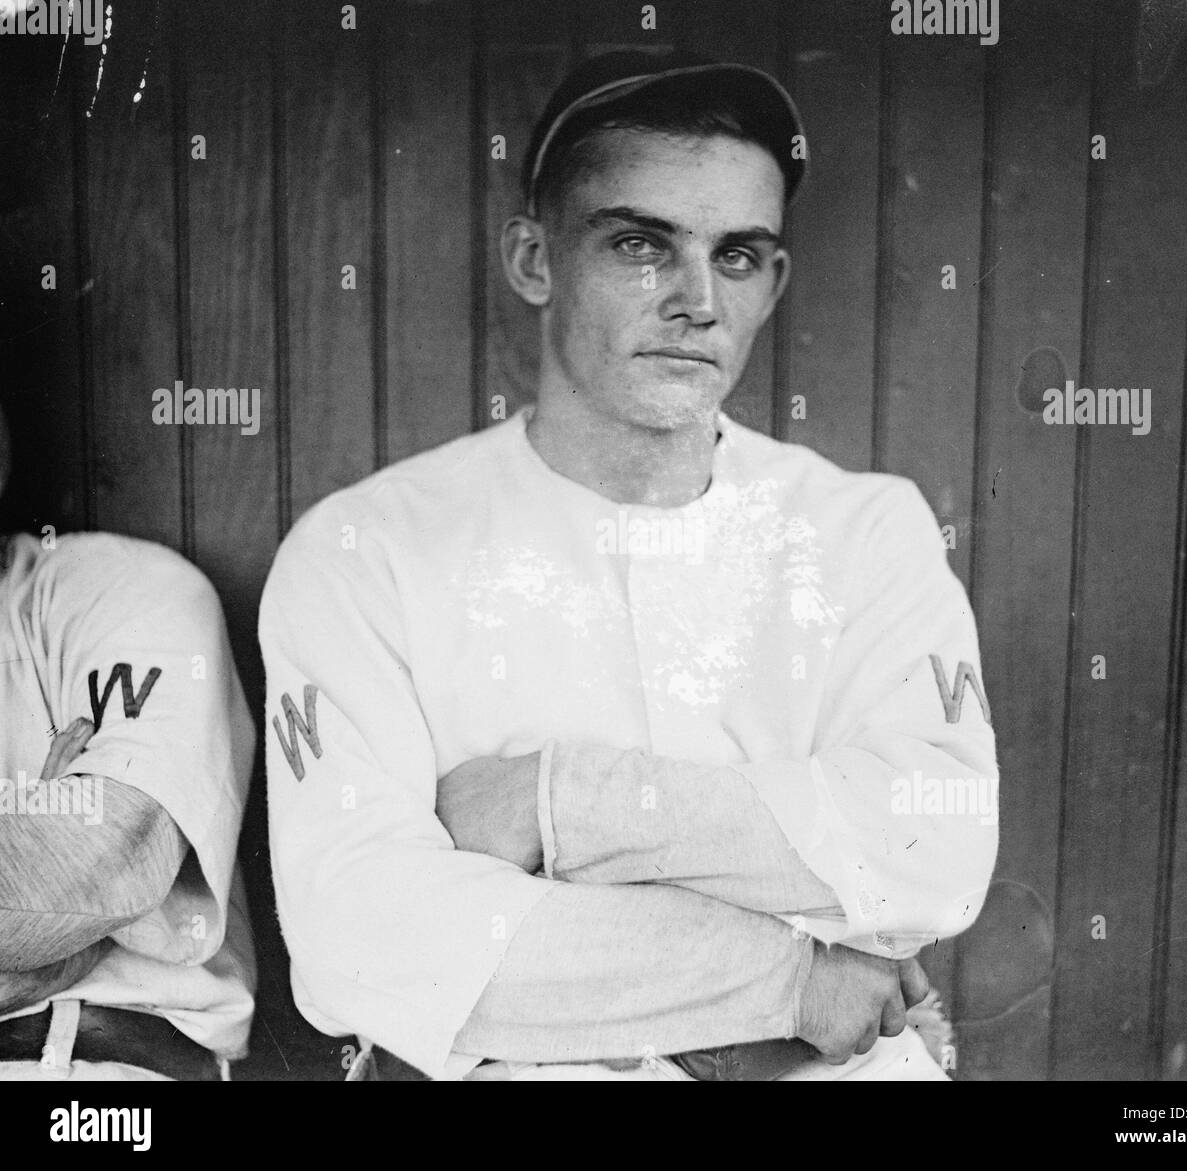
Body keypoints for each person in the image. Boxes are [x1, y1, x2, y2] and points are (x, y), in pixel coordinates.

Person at [260, 50, 998, 1082]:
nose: (696, 300)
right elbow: (364, 940)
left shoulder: (864, 529)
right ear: (534, 259)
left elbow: (936, 853)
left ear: (772, 281)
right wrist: (794, 976)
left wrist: (559, 802)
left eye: (737, 256)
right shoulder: (366, 549)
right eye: (642, 245)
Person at [0, 400, 256, 1080]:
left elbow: (109, 864)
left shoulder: (132, 592)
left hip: (99, 1074)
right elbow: (53, 889)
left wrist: (74, 891)